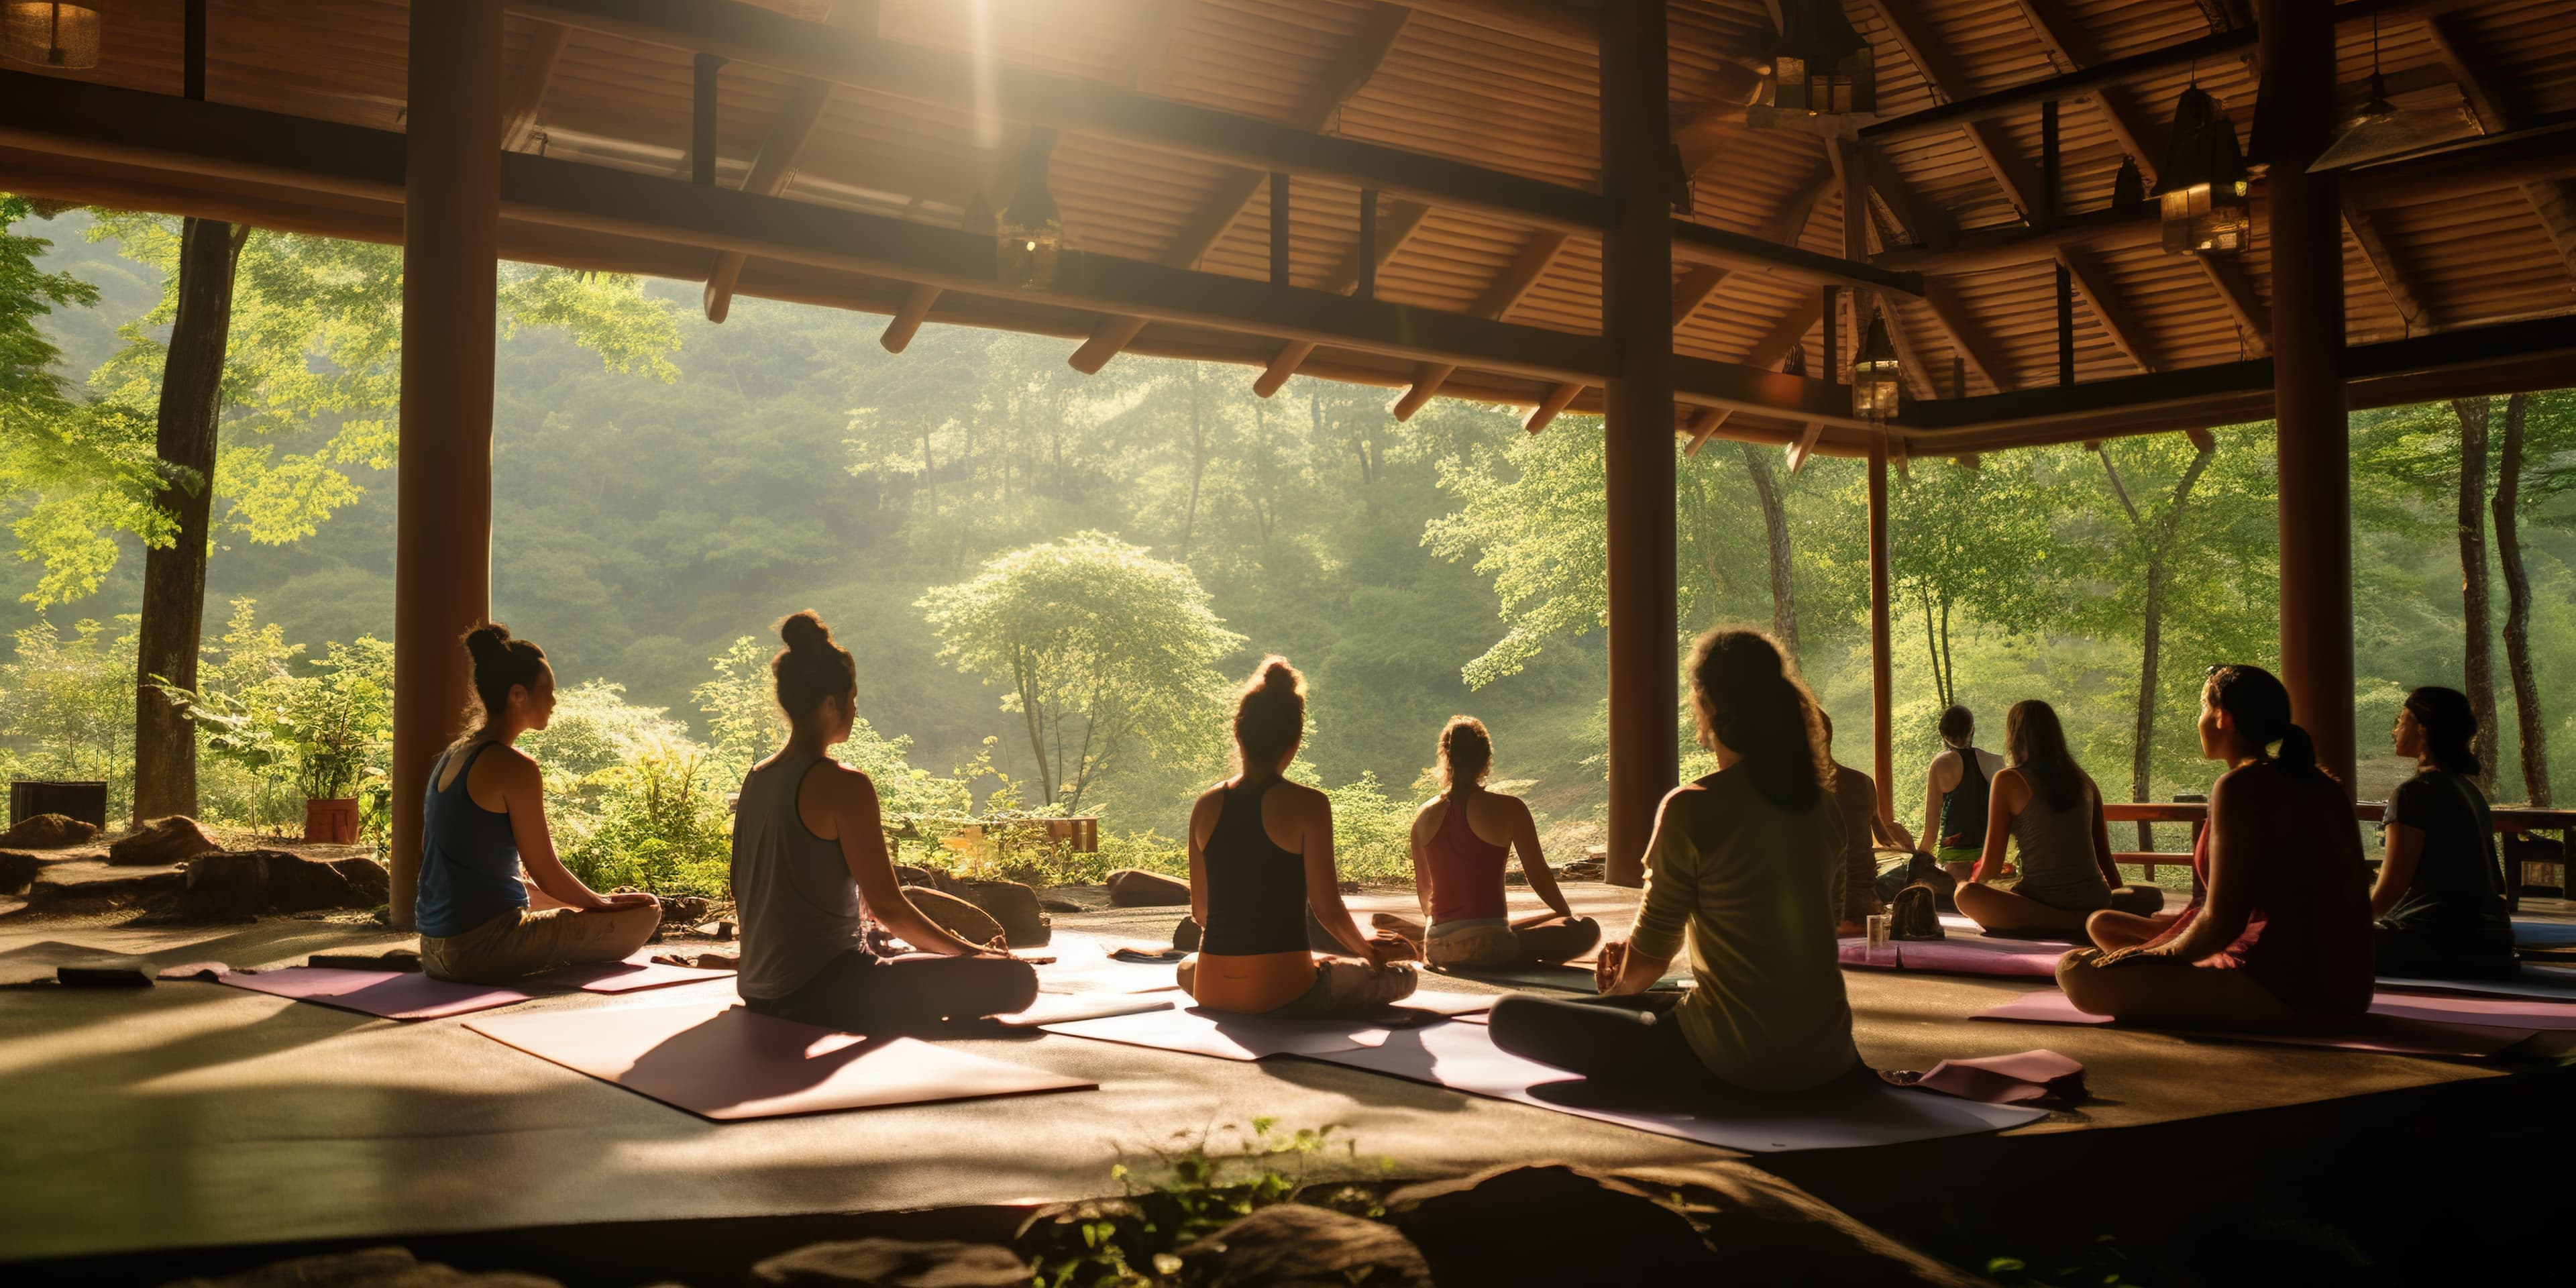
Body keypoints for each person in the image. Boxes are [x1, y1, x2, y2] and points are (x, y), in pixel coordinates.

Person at [1487, 630, 1859, 1094]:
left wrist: (1622, 988)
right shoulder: (1823, 809)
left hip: (1731, 1062)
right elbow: (1828, 922)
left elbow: (1647, 966)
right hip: (1829, 1056)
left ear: (1707, 707)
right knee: (1661, 1000)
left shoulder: (1692, 807)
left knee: (1511, 1016)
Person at [733, 611, 1036, 1030]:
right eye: (853, 699)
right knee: (1017, 980)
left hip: (757, 991)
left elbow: (743, 886)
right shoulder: (843, 783)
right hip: (827, 992)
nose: (855, 709)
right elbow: (889, 908)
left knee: (914, 961)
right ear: (830, 703)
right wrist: (974, 955)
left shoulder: (757, 777)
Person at [2059, 665, 2373, 1028]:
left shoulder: (2239, 786)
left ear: (2222, 716)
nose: (2201, 720)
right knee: (2105, 927)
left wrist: (2159, 957)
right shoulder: (2322, 784)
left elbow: (2224, 921)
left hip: (2282, 987)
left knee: (2078, 972)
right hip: (2344, 986)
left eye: (2203, 708)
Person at [417, 624, 661, 983]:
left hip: (434, 951)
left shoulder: (454, 755)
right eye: (548, 690)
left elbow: (482, 876)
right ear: (518, 695)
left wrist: (591, 900)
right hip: (481, 949)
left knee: (598, 904)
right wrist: (601, 905)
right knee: (647, 912)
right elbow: (545, 870)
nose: (554, 701)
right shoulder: (516, 767)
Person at [1179, 657, 1419, 1015]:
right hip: (1285, 992)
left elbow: (1202, 913)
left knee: (1186, 968)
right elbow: (1328, 912)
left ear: (1239, 735)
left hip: (1212, 990)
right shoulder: (1310, 805)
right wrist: (1369, 954)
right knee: (1403, 976)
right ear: (1294, 741)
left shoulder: (1205, 805)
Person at [1373, 716, 1599, 970]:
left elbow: (1426, 898)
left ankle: (1420, 939)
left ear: (1446, 759)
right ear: (1486, 760)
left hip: (1437, 947)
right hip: (1490, 949)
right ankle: (1497, 944)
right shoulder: (1510, 808)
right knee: (1584, 927)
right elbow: (1539, 875)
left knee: (1508, 925)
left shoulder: (1423, 816)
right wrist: (1566, 917)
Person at [1953, 700, 2165, 938]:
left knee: (1966, 894)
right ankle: (2090, 920)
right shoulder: (2084, 780)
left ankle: (2070, 924)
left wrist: (1978, 885)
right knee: (2149, 897)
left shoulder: (2008, 780)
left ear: (2015, 735)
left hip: (2045, 905)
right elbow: (2104, 858)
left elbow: (1991, 866)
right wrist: (2117, 902)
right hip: (2095, 902)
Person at [2369, 687, 2516, 979]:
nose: (2394, 731)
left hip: (2432, 941)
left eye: (2401, 720)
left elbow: (2391, 890)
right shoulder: (2470, 792)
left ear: (2423, 727)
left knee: (2311, 935)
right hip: (2493, 946)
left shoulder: (2413, 794)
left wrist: (2350, 926)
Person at [1819, 710, 1915, 934]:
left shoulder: (1793, 790)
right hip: (1865, 903)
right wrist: (1909, 852)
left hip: (1822, 905)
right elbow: (1885, 839)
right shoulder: (1863, 782)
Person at [1920, 704, 2004, 884]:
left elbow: (1931, 828)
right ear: (1972, 729)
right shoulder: (1997, 762)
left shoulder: (1941, 764)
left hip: (1955, 858)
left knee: (1958, 898)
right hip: (1990, 856)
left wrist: (1919, 863)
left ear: (1943, 735)